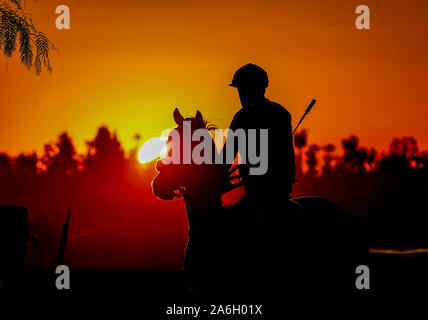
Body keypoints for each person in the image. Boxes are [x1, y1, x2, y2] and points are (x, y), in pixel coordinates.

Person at [222, 63, 296, 216]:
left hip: (275, 192)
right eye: (240, 91)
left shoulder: (279, 114)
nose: (242, 95)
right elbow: (226, 157)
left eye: (246, 90)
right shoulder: (239, 118)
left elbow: (284, 155)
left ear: (259, 89)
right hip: (249, 190)